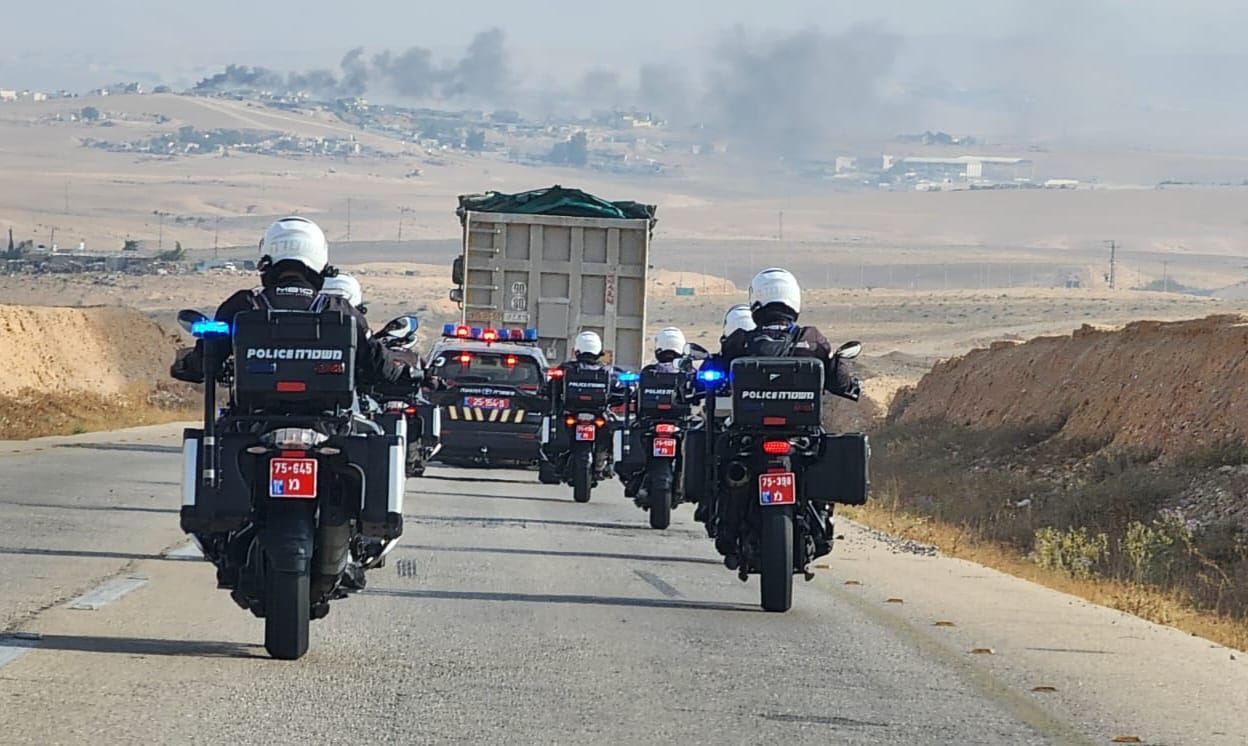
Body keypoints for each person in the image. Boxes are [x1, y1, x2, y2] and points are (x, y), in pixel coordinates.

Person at [173, 216, 411, 589]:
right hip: (328, 427)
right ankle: (349, 552)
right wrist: (402, 377)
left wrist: (187, 364)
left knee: (217, 452)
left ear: (266, 258)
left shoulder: (242, 305)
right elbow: (377, 363)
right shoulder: (340, 310)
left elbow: (209, 353)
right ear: (319, 261)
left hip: (253, 424)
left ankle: (228, 546)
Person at [712, 267, 860, 562]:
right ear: (793, 300)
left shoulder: (740, 341)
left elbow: (711, 372)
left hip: (749, 435)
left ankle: (726, 524)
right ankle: (820, 519)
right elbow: (838, 380)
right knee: (820, 464)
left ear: (756, 303)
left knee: (721, 463)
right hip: (800, 436)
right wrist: (850, 385)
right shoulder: (813, 339)